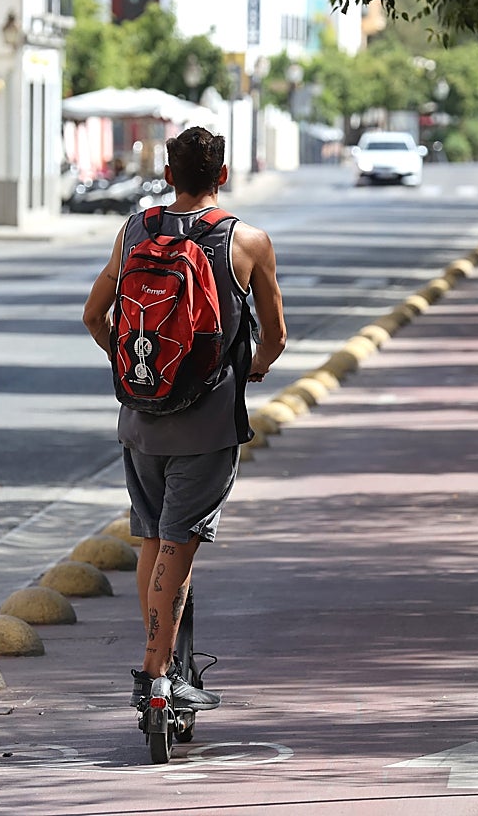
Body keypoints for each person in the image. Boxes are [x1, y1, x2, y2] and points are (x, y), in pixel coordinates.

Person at [82, 126, 287, 710]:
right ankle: (156, 677)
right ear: (222, 176)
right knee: (180, 542)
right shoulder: (246, 242)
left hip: (141, 417)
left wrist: (138, 369)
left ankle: (160, 664)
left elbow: (96, 316)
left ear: (168, 175)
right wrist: (252, 368)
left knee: (151, 535)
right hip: (209, 422)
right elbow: (275, 336)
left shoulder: (137, 230)